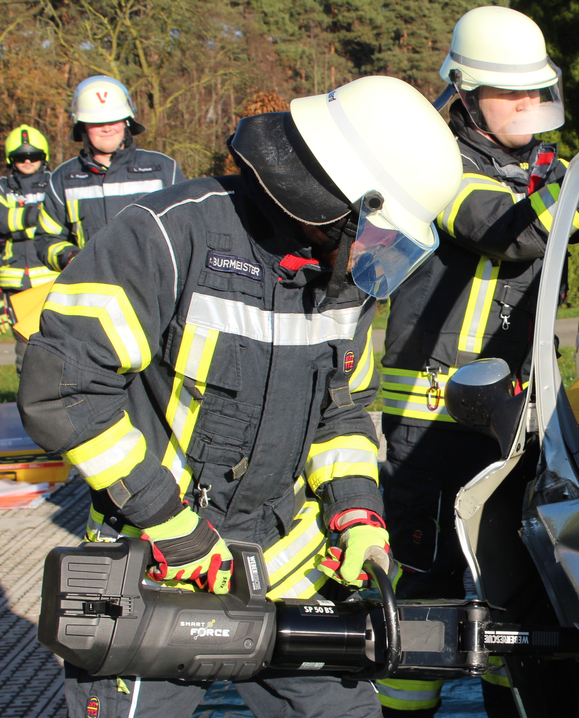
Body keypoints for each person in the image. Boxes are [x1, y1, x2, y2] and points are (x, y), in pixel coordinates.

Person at [17, 75, 463, 718]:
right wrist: (170, 524)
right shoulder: (168, 236)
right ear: (330, 195)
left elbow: (341, 411)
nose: (377, 250)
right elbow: (64, 387)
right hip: (156, 564)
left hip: (288, 568)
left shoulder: (347, 277)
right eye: (375, 228)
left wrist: (358, 512)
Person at [375, 6, 579, 716]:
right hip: (435, 422)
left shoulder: (534, 166)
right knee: (428, 592)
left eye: (536, 90)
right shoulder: (442, 166)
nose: (528, 104)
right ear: (466, 93)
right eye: (510, 93)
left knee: (513, 589)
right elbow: (512, 232)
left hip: (512, 418)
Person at [36, 75, 185, 272]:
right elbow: (46, 239)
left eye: (113, 119)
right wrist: (71, 258)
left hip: (156, 286)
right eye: (96, 122)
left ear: (126, 122)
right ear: (83, 126)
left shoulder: (164, 169)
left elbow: (188, 229)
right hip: (93, 286)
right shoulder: (63, 179)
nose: (106, 128)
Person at [0, 124, 56, 366]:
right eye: (20, 157)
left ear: (44, 157)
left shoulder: (56, 183)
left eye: (33, 156)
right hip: (16, 285)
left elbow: (64, 221)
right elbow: (2, 220)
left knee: (57, 345)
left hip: (53, 281)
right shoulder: (2, 187)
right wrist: (40, 217)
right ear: (10, 160)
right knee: (25, 351)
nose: (27, 161)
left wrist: (17, 222)